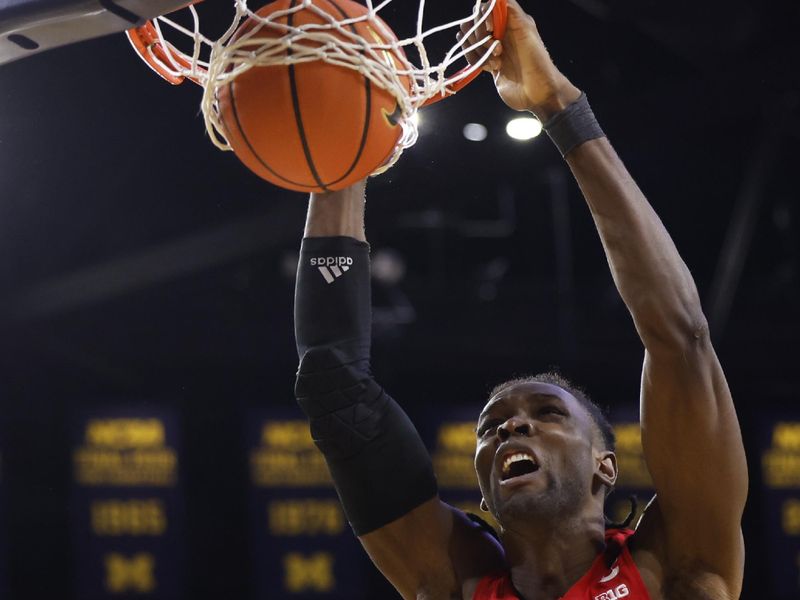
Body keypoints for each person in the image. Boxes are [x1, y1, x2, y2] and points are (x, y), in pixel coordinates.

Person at [292, 0, 747, 598]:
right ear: (483, 490)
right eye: (492, 427)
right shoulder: (455, 581)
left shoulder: (679, 569)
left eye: (548, 415)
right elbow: (336, 387)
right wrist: (341, 150)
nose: (512, 427)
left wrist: (559, 106)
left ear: (603, 468)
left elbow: (679, 335)